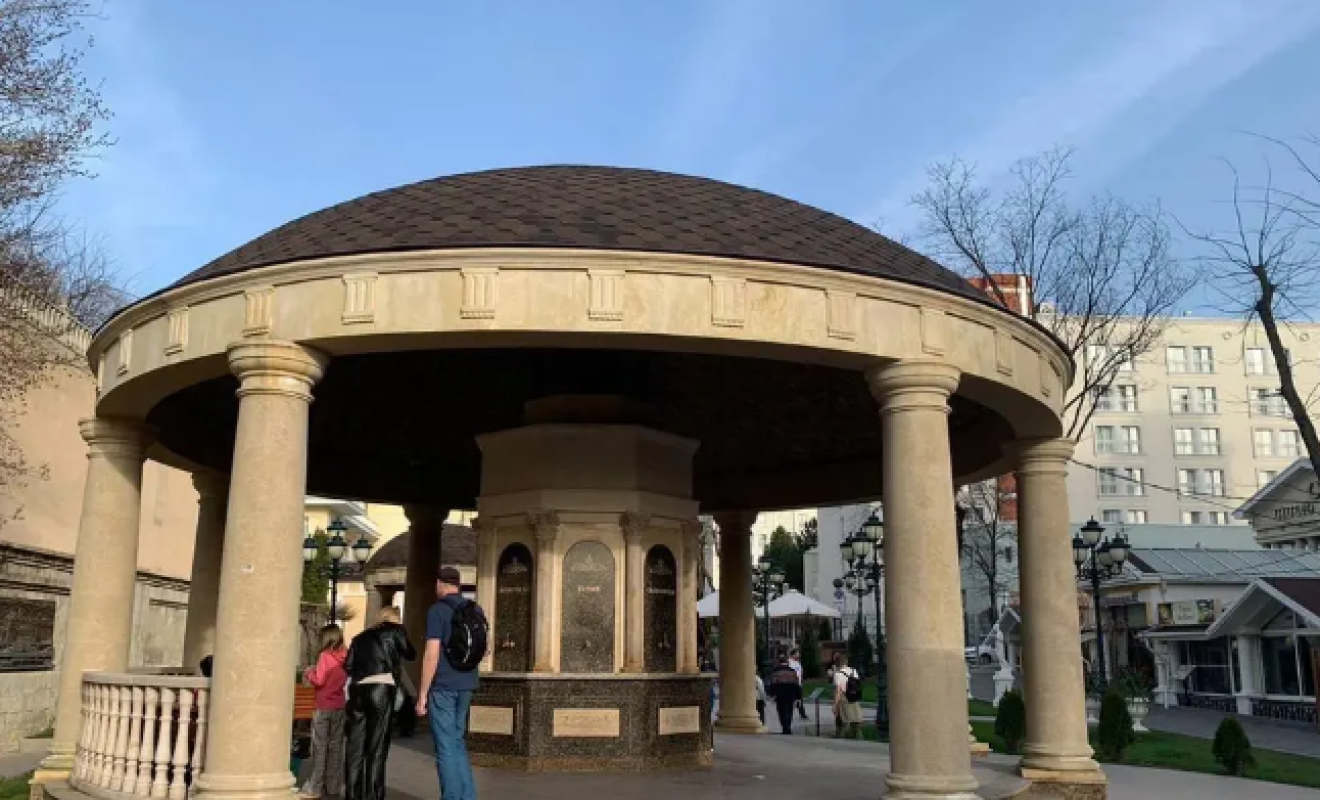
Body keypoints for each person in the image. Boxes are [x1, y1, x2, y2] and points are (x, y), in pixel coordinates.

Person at [416, 566, 480, 800]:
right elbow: (485, 648)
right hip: (467, 682)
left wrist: (422, 693)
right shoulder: (474, 609)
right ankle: (467, 796)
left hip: (443, 685)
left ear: (439, 584)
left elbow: (431, 654)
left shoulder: (437, 611)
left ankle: (451, 796)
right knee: (457, 742)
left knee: (444, 747)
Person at [344, 606, 415, 800]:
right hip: (381, 688)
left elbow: (348, 665)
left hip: (358, 689)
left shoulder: (360, 637)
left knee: (355, 747)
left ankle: (352, 795)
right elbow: (411, 653)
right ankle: (374, 796)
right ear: (395, 618)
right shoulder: (396, 630)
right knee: (376, 748)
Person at [300, 624, 348, 799]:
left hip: (323, 707)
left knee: (319, 747)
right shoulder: (346, 655)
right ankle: (333, 786)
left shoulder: (325, 656)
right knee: (336, 747)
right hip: (339, 706)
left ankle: (315, 787)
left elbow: (319, 680)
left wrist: (309, 673)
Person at [767, 656, 802, 735]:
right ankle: (788, 727)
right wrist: (798, 696)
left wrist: (772, 694)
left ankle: (784, 727)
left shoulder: (776, 671)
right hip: (791, 694)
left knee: (781, 711)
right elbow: (797, 685)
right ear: (787, 662)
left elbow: (773, 684)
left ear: (779, 662)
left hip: (780, 695)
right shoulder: (792, 671)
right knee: (789, 711)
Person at [832, 653, 863, 740]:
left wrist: (835, 704)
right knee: (856, 719)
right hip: (854, 697)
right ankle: (858, 736)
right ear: (846, 661)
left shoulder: (838, 674)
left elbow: (838, 691)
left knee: (844, 720)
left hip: (844, 698)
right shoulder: (854, 671)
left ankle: (841, 737)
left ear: (837, 663)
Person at [788, 648, 808, 720]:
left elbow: (800, 673)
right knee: (791, 700)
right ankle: (788, 713)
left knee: (800, 699)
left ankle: (802, 714)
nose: (799, 655)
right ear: (793, 655)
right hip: (792, 684)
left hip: (798, 684)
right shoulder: (789, 662)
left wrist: (801, 682)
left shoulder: (798, 663)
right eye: (797, 653)